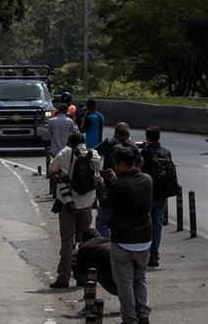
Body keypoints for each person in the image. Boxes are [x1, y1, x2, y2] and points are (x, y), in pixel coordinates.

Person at [94, 145, 152, 324]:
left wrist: (100, 185)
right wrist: (114, 181)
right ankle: (143, 315)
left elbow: (106, 203)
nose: (114, 167)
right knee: (140, 279)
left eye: (115, 164)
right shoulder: (147, 180)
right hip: (144, 240)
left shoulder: (120, 185)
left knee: (125, 282)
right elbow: (128, 195)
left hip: (123, 241)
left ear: (121, 164)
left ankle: (129, 318)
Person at [48, 132, 101, 288]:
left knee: (67, 242)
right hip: (87, 203)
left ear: (70, 142)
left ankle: (63, 277)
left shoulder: (65, 152)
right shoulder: (94, 154)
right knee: (83, 242)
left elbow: (51, 169)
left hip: (68, 204)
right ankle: (82, 276)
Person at [94, 122, 141, 238]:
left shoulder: (108, 143)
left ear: (115, 133)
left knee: (102, 219)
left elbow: (94, 153)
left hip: (108, 186)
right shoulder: (132, 146)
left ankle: (105, 246)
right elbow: (140, 162)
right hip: (128, 186)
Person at [140, 126, 178, 267]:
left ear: (147, 137)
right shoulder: (166, 152)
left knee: (146, 225)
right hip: (163, 194)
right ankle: (154, 256)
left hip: (148, 194)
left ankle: (145, 254)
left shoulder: (145, 152)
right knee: (157, 225)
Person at [72, 229, 118, 296]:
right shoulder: (108, 241)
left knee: (90, 271)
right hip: (124, 263)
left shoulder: (85, 247)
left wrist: (75, 254)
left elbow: (78, 272)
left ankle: (89, 299)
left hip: (113, 275)